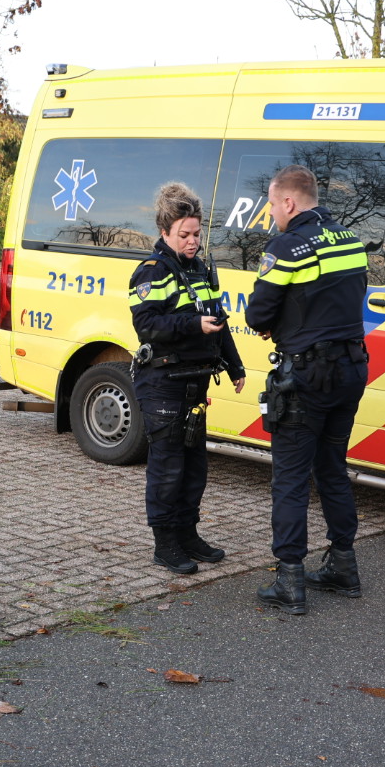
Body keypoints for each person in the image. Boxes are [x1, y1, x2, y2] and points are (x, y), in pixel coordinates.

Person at [244, 164, 370, 613]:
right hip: (352, 370)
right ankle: (343, 566)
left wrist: (282, 324)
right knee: (332, 468)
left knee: (291, 479)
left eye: (274, 206)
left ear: (289, 202)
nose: (273, 215)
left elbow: (258, 314)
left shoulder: (288, 247)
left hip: (306, 379)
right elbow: (338, 301)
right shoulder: (352, 242)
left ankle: (290, 580)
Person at [128, 182, 247, 574]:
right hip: (163, 383)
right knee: (167, 468)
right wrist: (193, 324)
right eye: (185, 235)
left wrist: (235, 366)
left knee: (194, 468)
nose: (193, 241)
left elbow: (219, 322)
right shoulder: (151, 272)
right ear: (165, 232)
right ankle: (165, 544)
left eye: (197, 233)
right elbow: (147, 325)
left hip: (196, 383)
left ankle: (188, 535)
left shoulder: (200, 269)